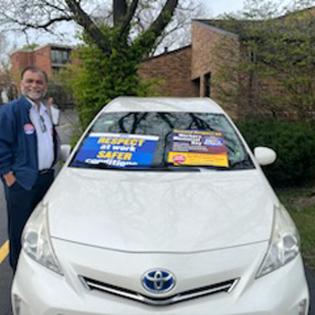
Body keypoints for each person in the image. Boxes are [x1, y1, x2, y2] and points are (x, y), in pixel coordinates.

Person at [0, 66, 59, 271]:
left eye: (39, 82)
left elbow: (47, 140)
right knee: (19, 229)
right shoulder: (10, 111)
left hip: (46, 180)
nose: (34, 85)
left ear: (45, 86)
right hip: (22, 182)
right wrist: (8, 176)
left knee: (40, 229)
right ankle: (18, 270)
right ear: (21, 84)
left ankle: (37, 269)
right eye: (30, 81)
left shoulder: (44, 111)